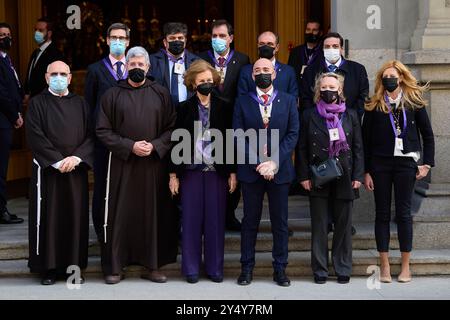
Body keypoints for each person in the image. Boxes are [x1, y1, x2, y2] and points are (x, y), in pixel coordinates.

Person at [97, 47, 178, 285]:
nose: (136, 68)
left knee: (153, 214)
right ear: (126, 67)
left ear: (148, 67)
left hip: (153, 165)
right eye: (132, 65)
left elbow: (173, 128)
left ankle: (152, 265)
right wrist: (129, 146)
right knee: (119, 214)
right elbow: (102, 129)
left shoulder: (161, 93)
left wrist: (155, 146)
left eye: (141, 65)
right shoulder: (112, 95)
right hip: (122, 165)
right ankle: (115, 266)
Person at [363, 60, 435, 284]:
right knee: (382, 213)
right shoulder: (375, 104)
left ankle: (406, 266)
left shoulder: (414, 103)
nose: (389, 79)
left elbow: (428, 135)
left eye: (393, 75)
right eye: (385, 76)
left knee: (404, 214)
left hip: (406, 165)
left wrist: (427, 164)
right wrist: (366, 171)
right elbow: (365, 141)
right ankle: (384, 264)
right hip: (380, 166)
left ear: (401, 78)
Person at [26, 61, 94, 285]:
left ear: (70, 78)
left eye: (63, 74)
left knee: (75, 218)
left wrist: (76, 158)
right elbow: (35, 135)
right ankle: (49, 269)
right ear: (46, 78)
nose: (58, 77)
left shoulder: (82, 104)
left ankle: (73, 269)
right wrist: (56, 161)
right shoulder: (37, 103)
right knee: (50, 217)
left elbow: (91, 135)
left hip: (75, 171)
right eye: (54, 74)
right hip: (49, 173)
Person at [169, 60, 237, 283]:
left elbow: (230, 141)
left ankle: (215, 268)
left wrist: (232, 172)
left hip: (216, 171)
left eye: (209, 80)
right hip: (190, 172)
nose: (206, 84)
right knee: (191, 220)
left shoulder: (225, 106)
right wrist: (173, 175)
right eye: (202, 81)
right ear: (192, 83)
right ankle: (190, 269)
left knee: (215, 221)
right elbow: (175, 142)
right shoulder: (183, 108)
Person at [234, 58, 299, 287]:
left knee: (279, 223)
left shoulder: (289, 100)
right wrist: (259, 163)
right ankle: (246, 268)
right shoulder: (242, 101)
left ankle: (280, 269)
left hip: (279, 172)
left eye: (266, 70)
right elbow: (238, 134)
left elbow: (292, 134)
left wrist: (273, 162)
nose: (262, 73)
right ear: (252, 76)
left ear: (274, 74)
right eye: (257, 70)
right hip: (251, 172)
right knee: (249, 221)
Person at [297, 72, 364, 284]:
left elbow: (358, 148)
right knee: (319, 226)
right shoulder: (309, 115)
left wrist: (358, 176)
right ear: (318, 90)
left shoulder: (351, 115)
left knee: (343, 227)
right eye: (324, 87)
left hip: (345, 176)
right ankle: (320, 270)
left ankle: (342, 267)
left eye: (332, 87)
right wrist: (303, 176)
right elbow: (302, 148)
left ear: (340, 90)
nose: (328, 90)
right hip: (319, 176)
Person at [199, 19, 250, 232]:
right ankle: (207, 216)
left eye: (222, 36)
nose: (218, 40)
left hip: (232, 124)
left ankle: (229, 215)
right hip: (206, 124)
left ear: (231, 38)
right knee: (208, 171)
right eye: (214, 36)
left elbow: (245, 91)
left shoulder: (242, 59)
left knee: (232, 170)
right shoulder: (202, 59)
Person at [84, 22, 130, 241]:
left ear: (128, 42)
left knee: (128, 187)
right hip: (103, 141)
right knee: (103, 186)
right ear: (107, 40)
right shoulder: (95, 70)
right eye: (114, 38)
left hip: (130, 140)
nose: (118, 42)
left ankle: (125, 230)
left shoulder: (136, 67)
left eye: (122, 38)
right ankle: (102, 231)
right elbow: (89, 106)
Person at [300, 32, 369, 116]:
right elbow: (305, 98)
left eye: (335, 46)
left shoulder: (358, 70)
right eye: (327, 47)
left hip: (348, 123)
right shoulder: (310, 71)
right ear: (323, 49)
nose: (331, 49)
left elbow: (362, 98)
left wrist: (350, 118)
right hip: (318, 123)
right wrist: (316, 118)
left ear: (341, 49)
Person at [0, 22, 24, 225]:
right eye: (1, 35)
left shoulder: (7, 60)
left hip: (7, 120)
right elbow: (2, 94)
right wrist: (15, 115)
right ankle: (1, 211)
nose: (5, 38)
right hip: (2, 121)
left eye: (8, 34)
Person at [149, 22, 199, 109]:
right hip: (162, 112)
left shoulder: (196, 61)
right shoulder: (152, 61)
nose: (176, 41)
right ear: (165, 42)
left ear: (185, 41)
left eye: (180, 38)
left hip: (189, 113)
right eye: (172, 38)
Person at [237, 31, 298, 99]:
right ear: (257, 45)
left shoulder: (288, 72)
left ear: (277, 47)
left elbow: (293, 99)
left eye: (270, 44)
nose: (265, 47)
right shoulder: (246, 71)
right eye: (262, 44)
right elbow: (241, 100)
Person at [24, 18, 64, 101]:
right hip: (33, 101)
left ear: (49, 34)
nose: (36, 33)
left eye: (40, 30)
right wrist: (27, 92)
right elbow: (31, 75)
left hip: (47, 103)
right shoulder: (35, 52)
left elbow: (56, 83)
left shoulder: (56, 54)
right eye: (35, 30)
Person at [288, 19, 324, 97]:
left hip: (317, 93)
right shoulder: (295, 52)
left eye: (314, 30)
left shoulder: (324, 52)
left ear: (320, 33)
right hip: (298, 93)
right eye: (308, 30)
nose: (310, 33)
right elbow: (291, 73)